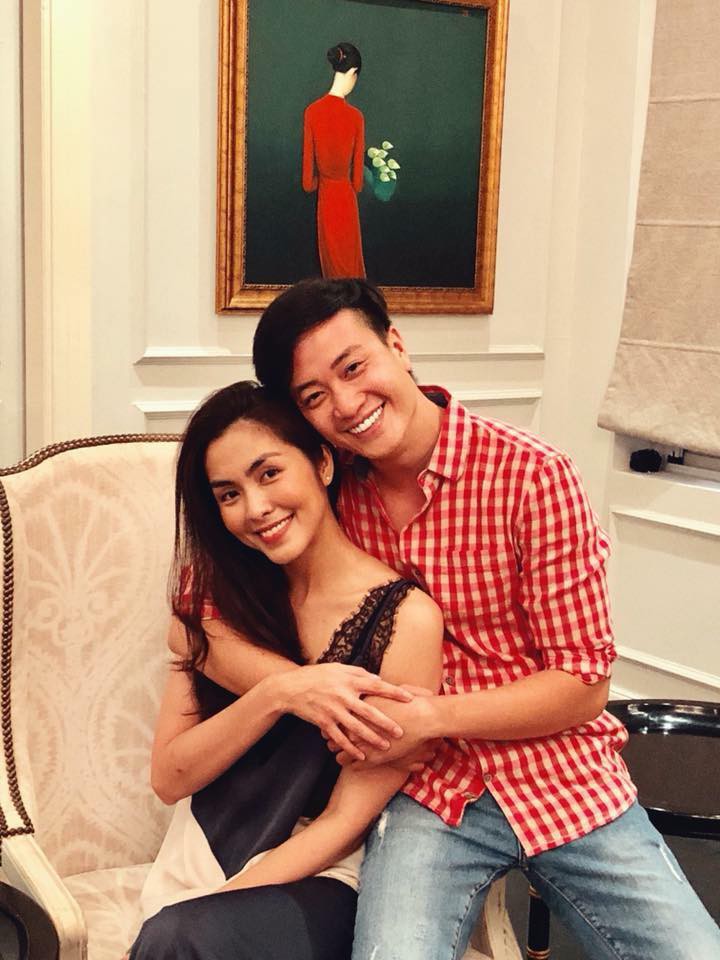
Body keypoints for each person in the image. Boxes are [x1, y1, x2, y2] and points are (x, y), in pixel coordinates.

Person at [197, 276, 720, 960]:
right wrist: (298, 689)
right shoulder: (321, 487)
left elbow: (583, 683)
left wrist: (429, 718)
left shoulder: (533, 476)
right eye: (314, 397)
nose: (347, 405)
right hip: (424, 792)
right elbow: (198, 621)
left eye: (353, 368)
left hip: (565, 777)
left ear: (396, 345)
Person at [127, 380, 443, 960]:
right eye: (228, 494)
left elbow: (345, 819)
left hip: (323, 875)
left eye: (269, 473)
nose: (255, 509)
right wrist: (279, 692)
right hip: (202, 851)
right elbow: (170, 777)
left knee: (182, 938)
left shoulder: (407, 620)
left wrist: (213, 908)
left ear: (321, 462)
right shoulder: (216, 601)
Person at [303, 43, 366, 278]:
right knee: (351, 272)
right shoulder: (356, 118)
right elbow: (357, 183)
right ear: (353, 73)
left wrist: (323, 181)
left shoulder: (311, 112)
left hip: (326, 201)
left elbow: (307, 183)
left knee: (331, 274)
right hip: (346, 202)